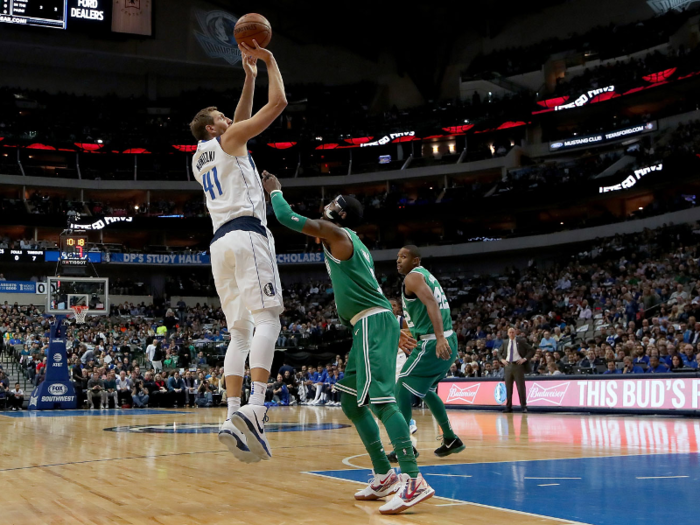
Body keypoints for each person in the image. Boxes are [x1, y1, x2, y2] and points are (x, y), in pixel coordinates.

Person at [263, 172, 434, 515]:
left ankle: (414, 480)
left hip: (372, 321)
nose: (324, 206)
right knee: (352, 403)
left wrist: (276, 192)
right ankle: (384, 475)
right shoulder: (348, 238)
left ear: (338, 213)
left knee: (382, 400)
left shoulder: (337, 233)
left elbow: (285, 218)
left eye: (330, 204)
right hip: (368, 323)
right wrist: (389, 321)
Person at [189, 40, 287, 464]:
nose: (229, 120)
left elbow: (239, 122)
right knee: (268, 319)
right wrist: (268, 62)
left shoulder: (198, 158)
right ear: (213, 128)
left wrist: (247, 78)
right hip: (248, 236)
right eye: (222, 118)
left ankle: (231, 416)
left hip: (218, 244)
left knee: (239, 333)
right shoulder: (229, 140)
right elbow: (278, 103)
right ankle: (258, 408)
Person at [393, 245, 464, 459]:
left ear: (416, 261)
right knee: (428, 391)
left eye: (404, 257)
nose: (398, 260)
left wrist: (439, 337)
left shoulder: (412, 278)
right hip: (446, 339)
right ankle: (450, 438)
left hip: (434, 342)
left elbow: (431, 302)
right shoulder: (426, 276)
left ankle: (405, 446)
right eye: (397, 257)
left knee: (401, 388)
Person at [389, 298, 417, 435]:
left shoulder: (402, 321)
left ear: (399, 308)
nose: (392, 307)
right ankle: (400, 420)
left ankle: (409, 421)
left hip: (400, 357)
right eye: (390, 305)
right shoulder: (382, 319)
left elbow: (413, 335)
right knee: (390, 392)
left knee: (398, 390)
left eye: (394, 305)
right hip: (386, 358)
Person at [498, 327, 535, 413]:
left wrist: (524, 359)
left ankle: (523, 406)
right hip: (507, 366)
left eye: (513, 332)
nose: (511, 334)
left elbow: (531, 350)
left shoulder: (520, 341)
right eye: (510, 332)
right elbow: (499, 353)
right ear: (507, 334)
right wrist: (502, 360)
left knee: (521, 387)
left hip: (518, 366)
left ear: (515, 333)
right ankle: (508, 406)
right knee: (508, 387)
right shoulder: (505, 342)